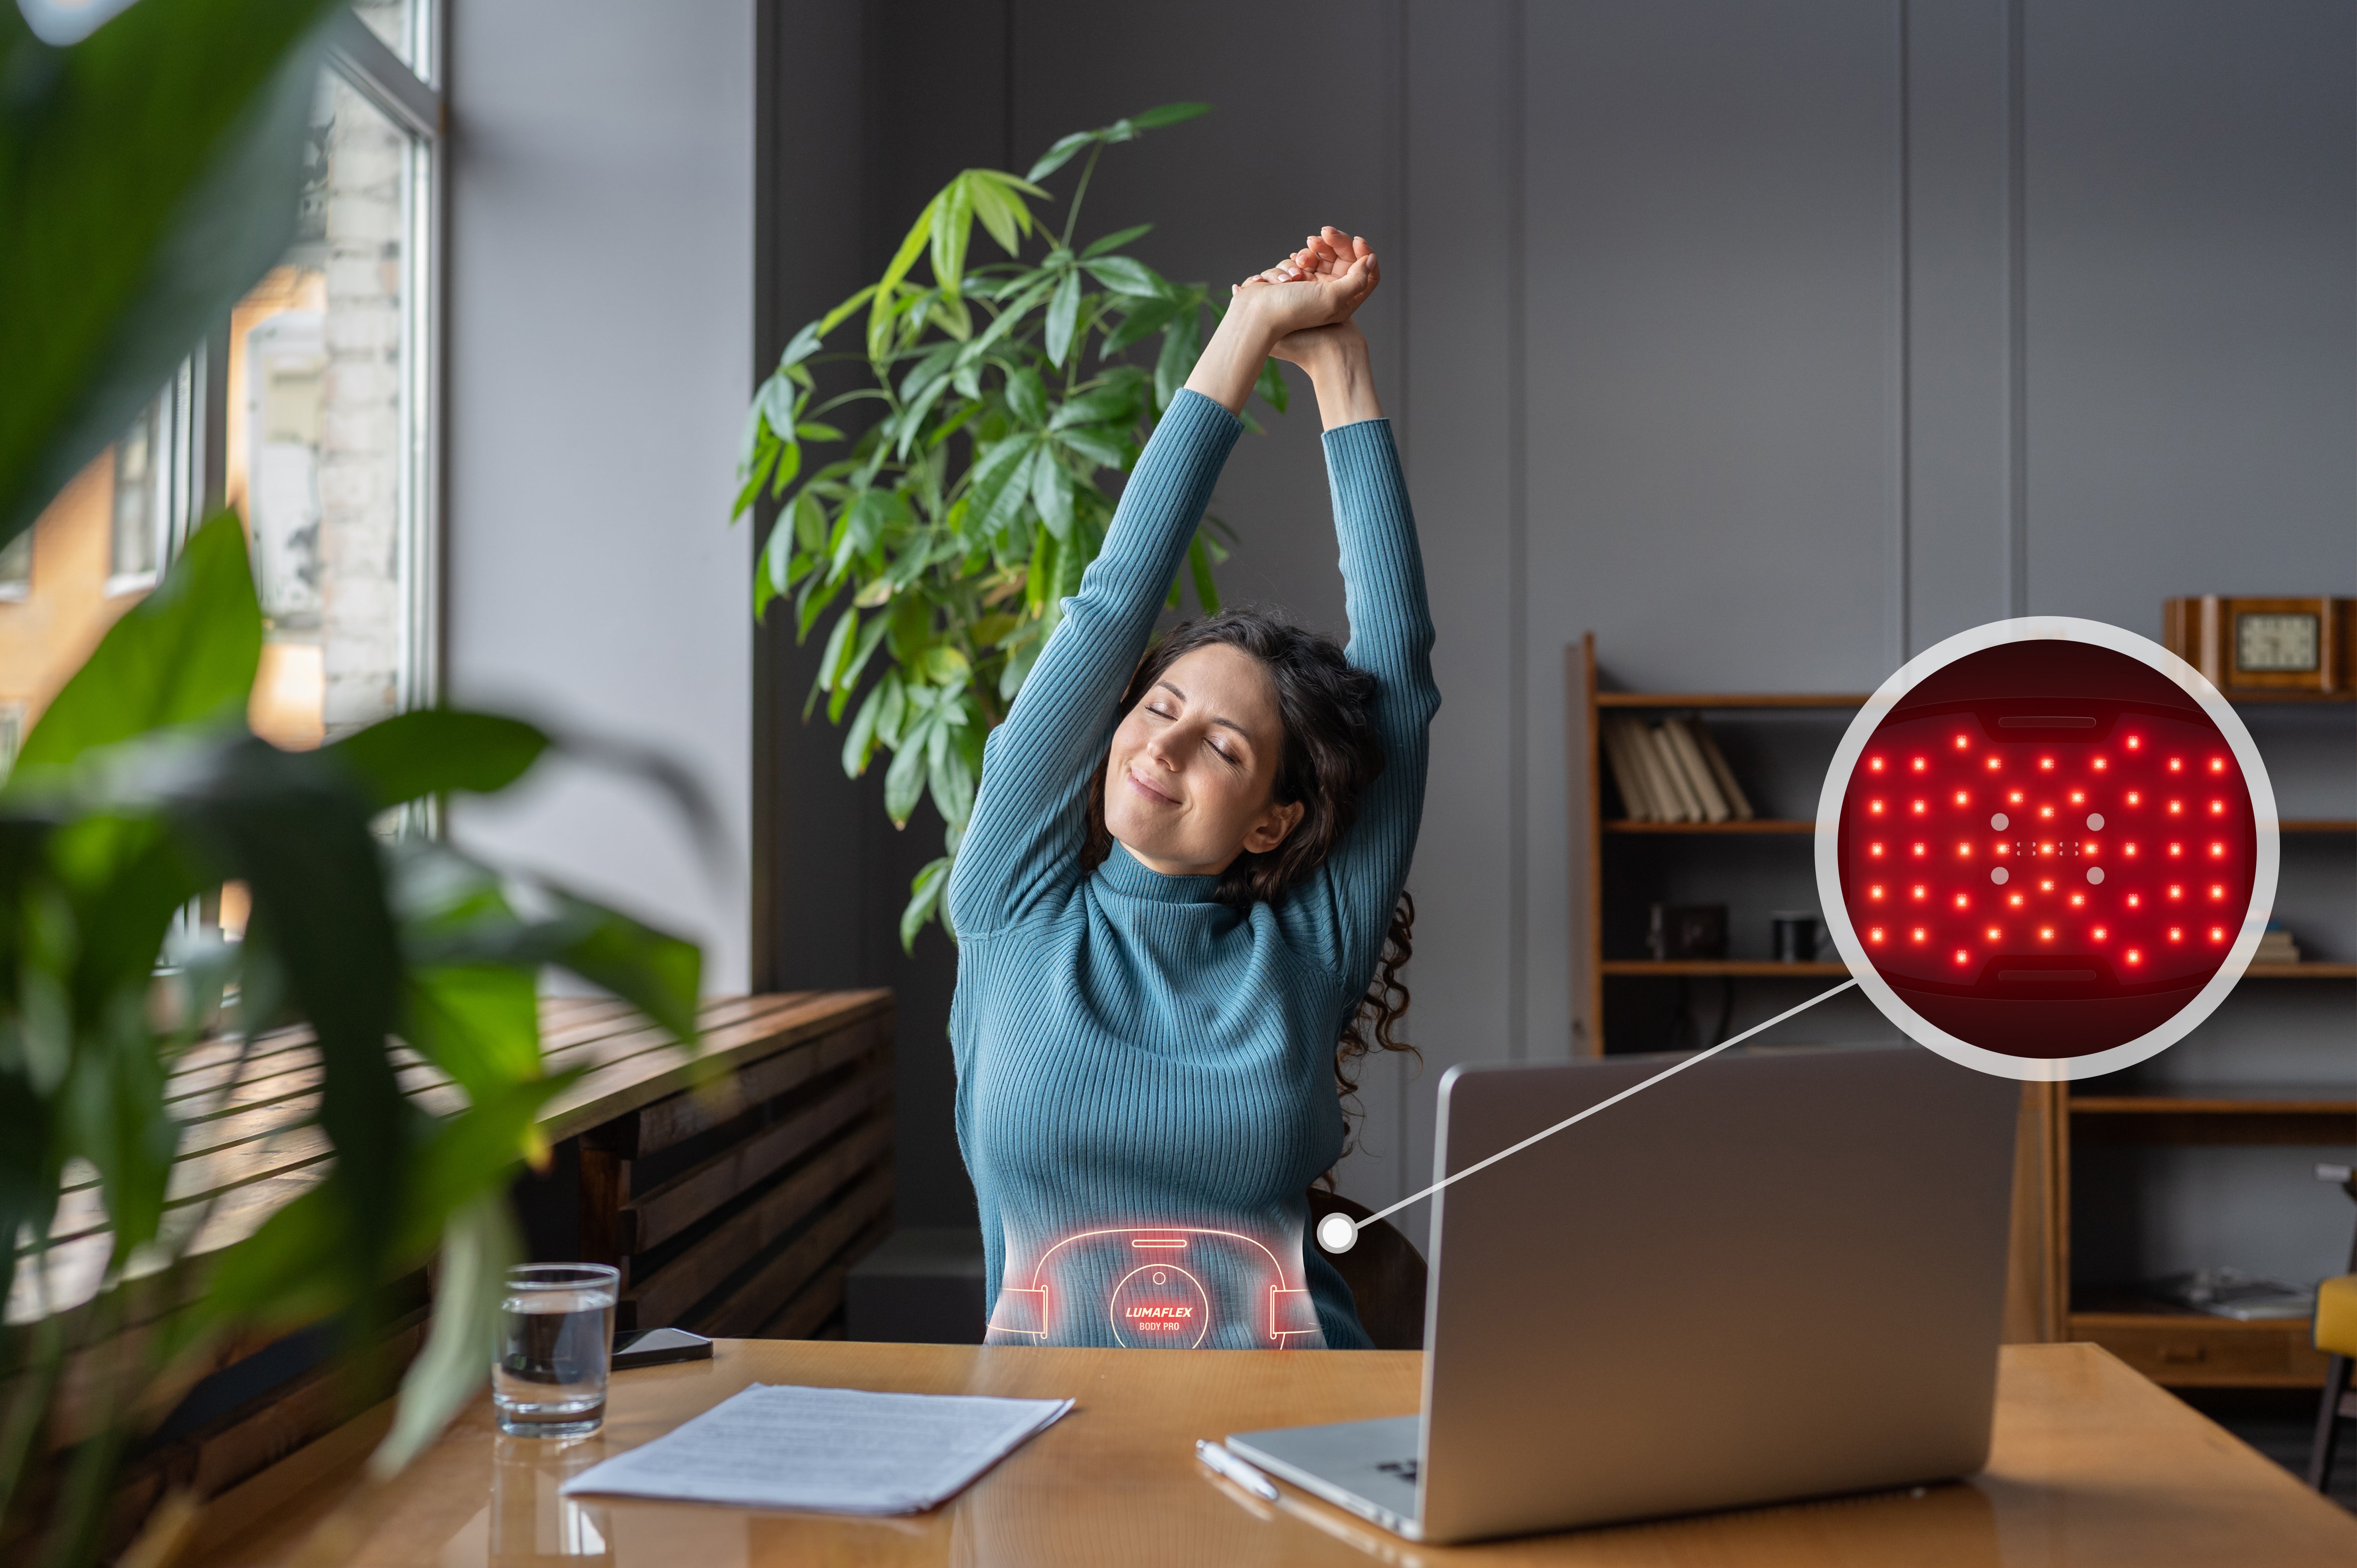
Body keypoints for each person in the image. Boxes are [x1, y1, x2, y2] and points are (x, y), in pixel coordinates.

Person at [947, 228, 1437, 1350]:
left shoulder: (1305, 953)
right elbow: (1112, 604)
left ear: (1274, 818)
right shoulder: (1012, 907)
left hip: (1299, 1432)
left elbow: (1399, 670)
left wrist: (1339, 368)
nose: (1162, 750)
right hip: (1049, 1447)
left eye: (1223, 748)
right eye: (1159, 709)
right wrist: (1248, 328)